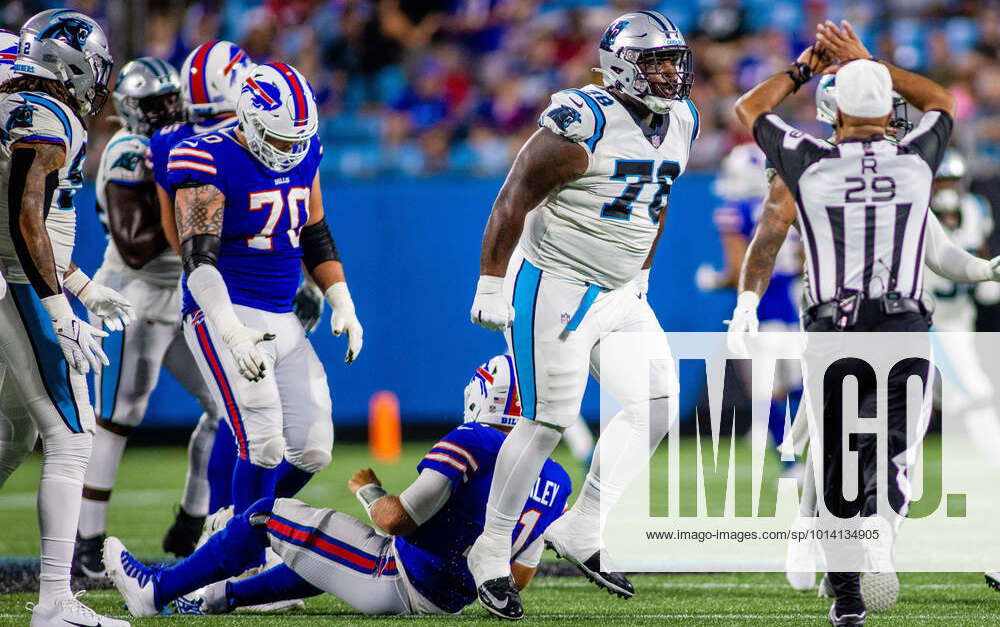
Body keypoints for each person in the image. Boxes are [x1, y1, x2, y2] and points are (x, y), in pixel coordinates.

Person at [727, 19, 995, 626]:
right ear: (886, 109)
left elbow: (749, 107)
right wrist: (867, 60)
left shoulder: (807, 165)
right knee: (894, 455)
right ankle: (877, 537)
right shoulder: (916, 163)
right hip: (902, 330)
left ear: (836, 113)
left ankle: (847, 597)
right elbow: (940, 100)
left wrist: (803, 67)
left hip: (832, 332)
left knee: (836, 460)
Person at [466, 10, 695, 619]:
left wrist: (642, 274)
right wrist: (491, 282)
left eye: (674, 59)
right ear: (621, 65)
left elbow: (657, 200)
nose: (671, 72)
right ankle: (489, 550)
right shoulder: (583, 120)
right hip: (557, 284)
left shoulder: (683, 121)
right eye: (655, 61)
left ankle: (583, 527)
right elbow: (513, 196)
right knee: (548, 422)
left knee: (656, 404)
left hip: (619, 293)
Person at [102, 354, 570, 617]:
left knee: (266, 514)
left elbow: (394, 521)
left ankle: (156, 593)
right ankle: (214, 598)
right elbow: (520, 577)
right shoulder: (556, 475)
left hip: (399, 581)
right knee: (326, 546)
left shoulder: (475, 440)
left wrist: (368, 488)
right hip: (443, 596)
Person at [167, 62, 363, 527]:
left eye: (298, 139)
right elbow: (198, 260)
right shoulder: (206, 157)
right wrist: (231, 333)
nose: (290, 150)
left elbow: (313, 230)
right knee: (262, 441)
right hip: (223, 310)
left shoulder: (306, 150)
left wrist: (342, 301)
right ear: (250, 122)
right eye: (280, 140)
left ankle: (236, 525)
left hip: (282, 314)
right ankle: (243, 555)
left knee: (312, 448)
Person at [72, 56, 229, 577]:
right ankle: (86, 547)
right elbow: (136, 248)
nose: (167, 110)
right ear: (132, 110)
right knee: (118, 419)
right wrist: (193, 212)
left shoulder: (181, 140)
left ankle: (192, 517)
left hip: (180, 295)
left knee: (224, 405)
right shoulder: (128, 152)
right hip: (130, 297)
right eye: (155, 104)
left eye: (170, 99)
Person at [0, 9, 130, 627]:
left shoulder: (16, 102)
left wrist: (81, 284)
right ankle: (54, 602)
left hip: (20, 273)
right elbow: (26, 216)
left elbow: (28, 222)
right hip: (19, 283)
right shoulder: (47, 118)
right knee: (73, 436)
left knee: (12, 436)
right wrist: (60, 310)